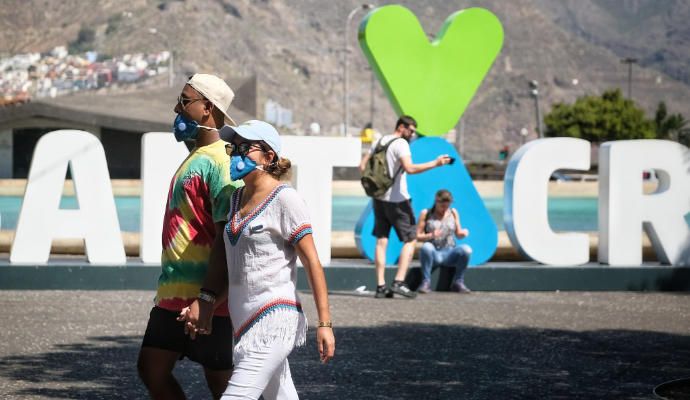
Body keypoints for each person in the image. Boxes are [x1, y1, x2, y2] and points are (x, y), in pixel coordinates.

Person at [181, 120, 335, 399]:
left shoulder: (285, 199)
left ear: (269, 156)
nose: (236, 154)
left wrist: (324, 325)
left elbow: (312, 262)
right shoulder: (235, 199)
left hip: (274, 320)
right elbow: (239, 269)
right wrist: (208, 304)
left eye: (244, 147)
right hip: (243, 324)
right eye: (233, 147)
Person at [138, 73, 243, 400]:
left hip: (207, 299)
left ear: (208, 108)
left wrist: (209, 300)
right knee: (152, 369)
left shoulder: (221, 163)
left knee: (222, 383)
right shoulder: (197, 156)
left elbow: (228, 237)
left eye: (184, 101)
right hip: (174, 294)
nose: (176, 108)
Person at [359, 115, 452, 299]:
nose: (412, 134)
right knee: (410, 239)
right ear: (401, 127)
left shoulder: (379, 141)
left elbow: (362, 166)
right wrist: (436, 162)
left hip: (379, 198)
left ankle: (380, 286)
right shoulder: (401, 144)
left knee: (381, 240)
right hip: (399, 200)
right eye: (411, 130)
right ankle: (399, 282)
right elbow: (410, 168)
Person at [416, 189, 472, 294]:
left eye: (447, 206)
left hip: (449, 252)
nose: (444, 209)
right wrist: (431, 235)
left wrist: (463, 233)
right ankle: (426, 282)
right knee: (426, 247)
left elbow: (458, 234)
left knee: (466, 250)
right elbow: (417, 236)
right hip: (434, 253)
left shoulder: (453, 212)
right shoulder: (426, 213)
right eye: (442, 206)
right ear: (436, 201)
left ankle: (458, 282)